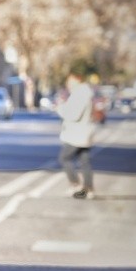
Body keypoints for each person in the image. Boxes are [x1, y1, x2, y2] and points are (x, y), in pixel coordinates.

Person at [57, 71, 96, 199]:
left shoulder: (80, 93)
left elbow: (73, 114)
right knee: (84, 161)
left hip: (77, 134)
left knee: (64, 158)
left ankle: (75, 184)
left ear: (77, 79)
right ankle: (88, 189)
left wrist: (60, 108)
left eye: (70, 81)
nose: (68, 84)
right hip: (83, 133)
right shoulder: (83, 93)